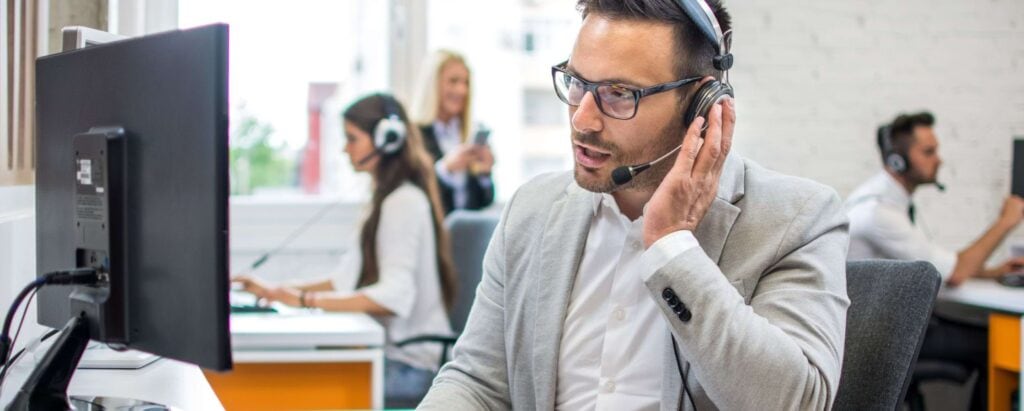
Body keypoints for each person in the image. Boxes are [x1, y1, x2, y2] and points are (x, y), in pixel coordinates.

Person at [418, 1, 850, 409]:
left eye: (619, 93)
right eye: (576, 83)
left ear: (700, 104)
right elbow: (477, 382)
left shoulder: (797, 220)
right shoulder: (531, 211)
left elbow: (796, 401)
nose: (582, 119)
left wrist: (672, 246)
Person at [233, 94, 456, 408]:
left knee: (305, 388)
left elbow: (394, 296)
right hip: (392, 354)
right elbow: (344, 281)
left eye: (352, 139)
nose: (344, 148)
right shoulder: (382, 200)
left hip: (412, 365)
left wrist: (301, 300)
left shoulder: (403, 202)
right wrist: (277, 291)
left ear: (387, 140)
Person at [845, 111, 1024, 410]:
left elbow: (932, 265)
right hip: (882, 337)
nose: (938, 159)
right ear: (897, 161)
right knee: (994, 342)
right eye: (928, 152)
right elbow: (952, 274)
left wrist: (991, 273)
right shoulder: (879, 214)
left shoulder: (886, 202)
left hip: (883, 325)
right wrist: (1005, 222)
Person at [412, 49, 495, 214]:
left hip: (466, 234)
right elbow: (414, 196)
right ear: (433, 84)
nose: (462, 90)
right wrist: (445, 169)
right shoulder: (414, 135)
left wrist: (484, 172)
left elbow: (484, 200)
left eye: (466, 83)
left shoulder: (469, 132)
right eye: (453, 81)